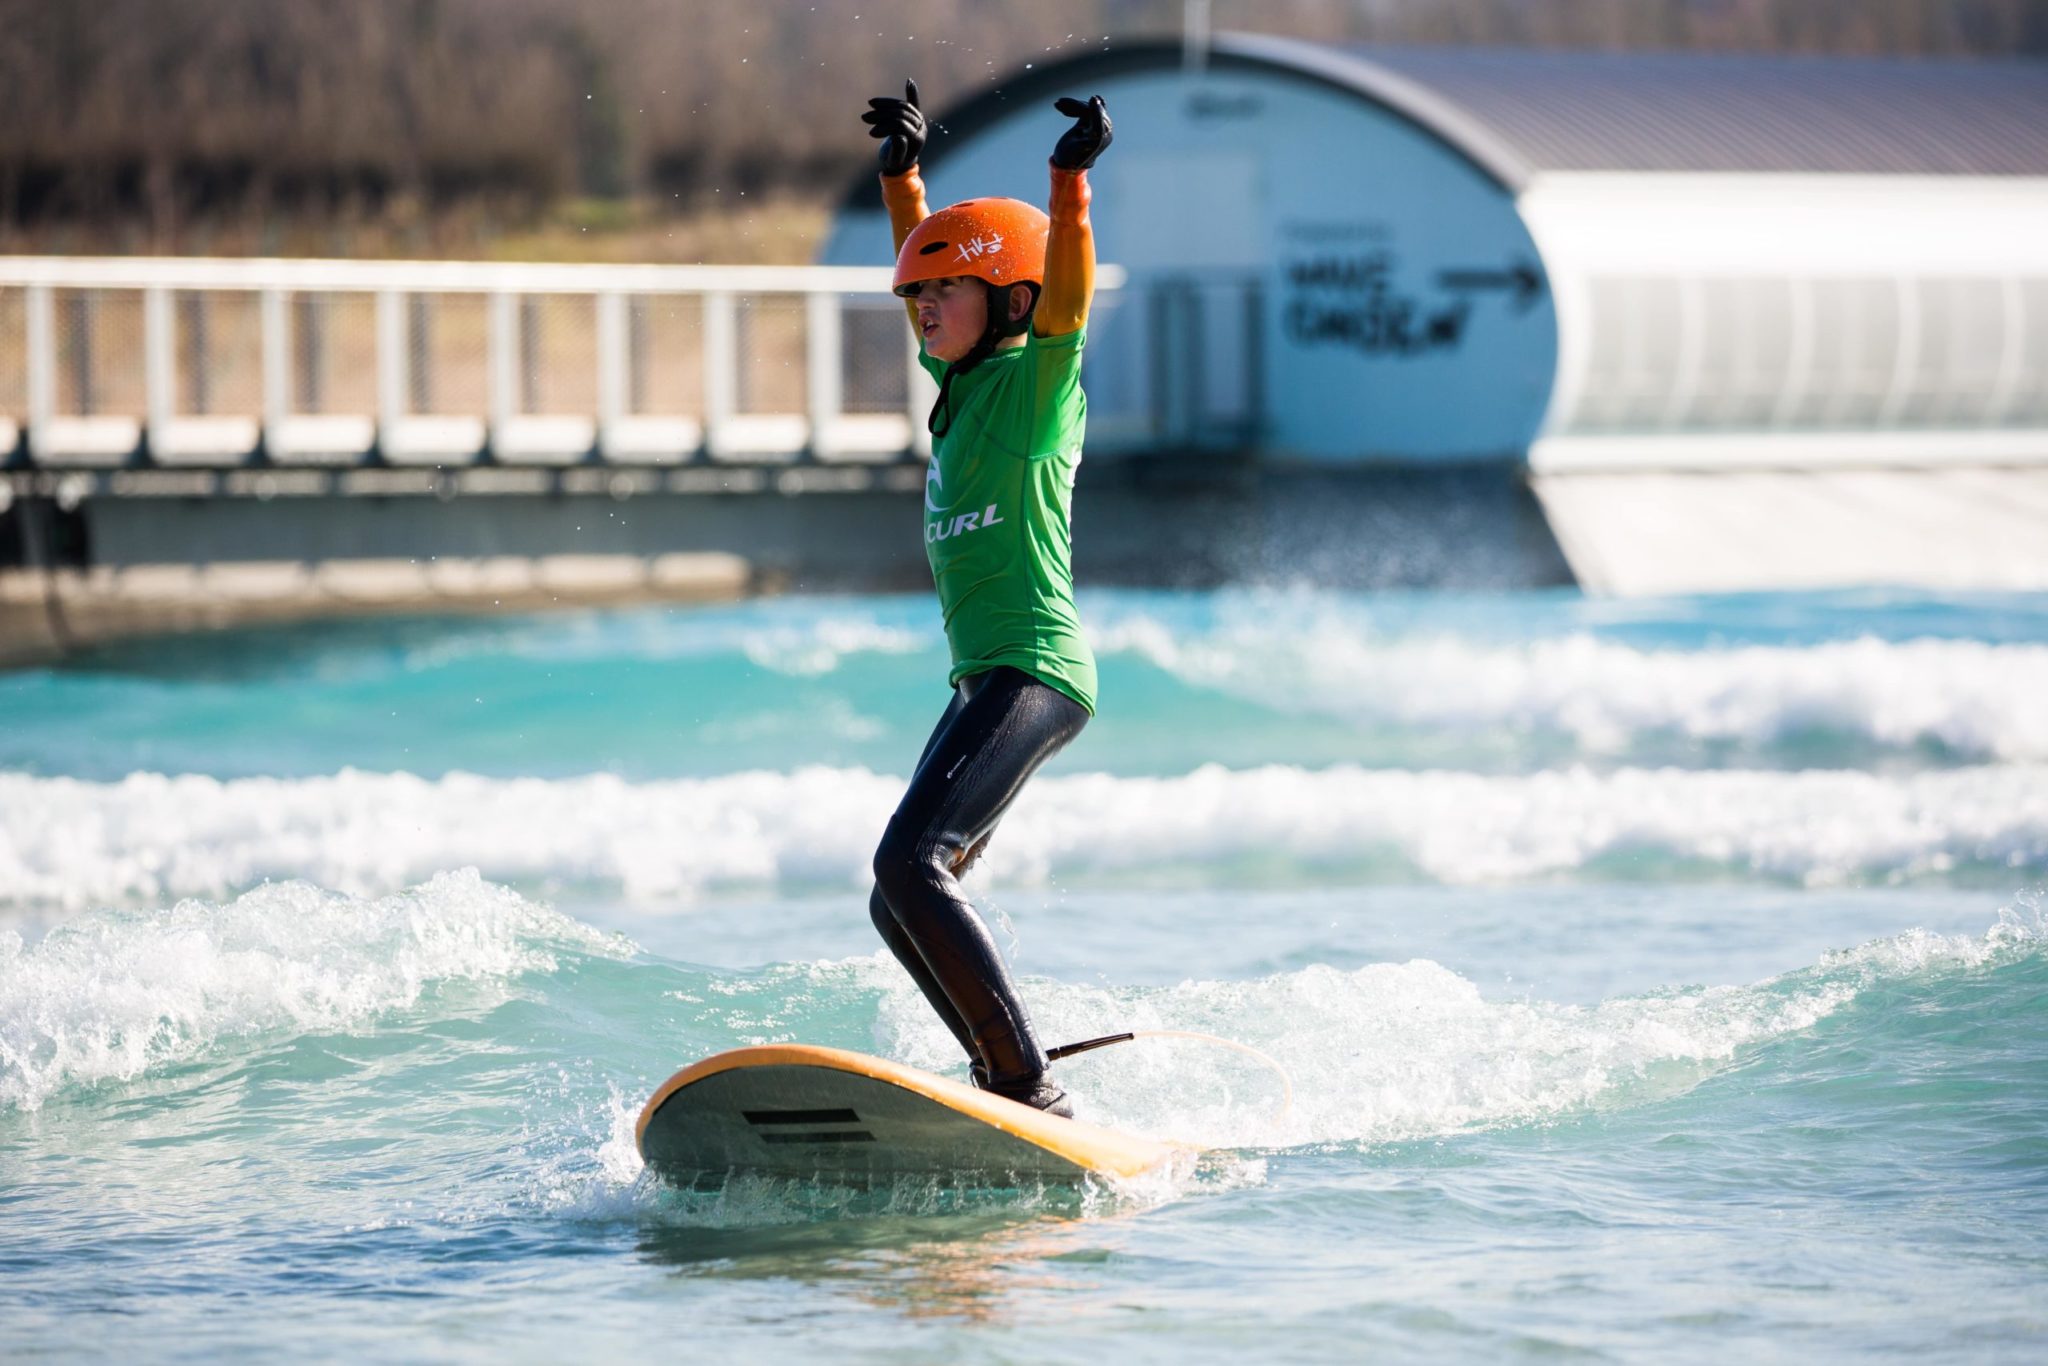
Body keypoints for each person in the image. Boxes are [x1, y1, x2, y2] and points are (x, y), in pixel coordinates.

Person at [858, 79, 1113, 1118]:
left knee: (911, 861)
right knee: (895, 895)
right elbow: (936, 264)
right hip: (981, 681)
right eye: (915, 300)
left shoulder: (1037, 385)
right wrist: (902, 182)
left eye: (942, 298)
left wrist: (1067, 185)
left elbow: (1062, 295)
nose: (923, 312)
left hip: (1035, 668)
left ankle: (1022, 1080)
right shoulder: (956, 383)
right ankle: (997, 1068)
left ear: (1008, 302)